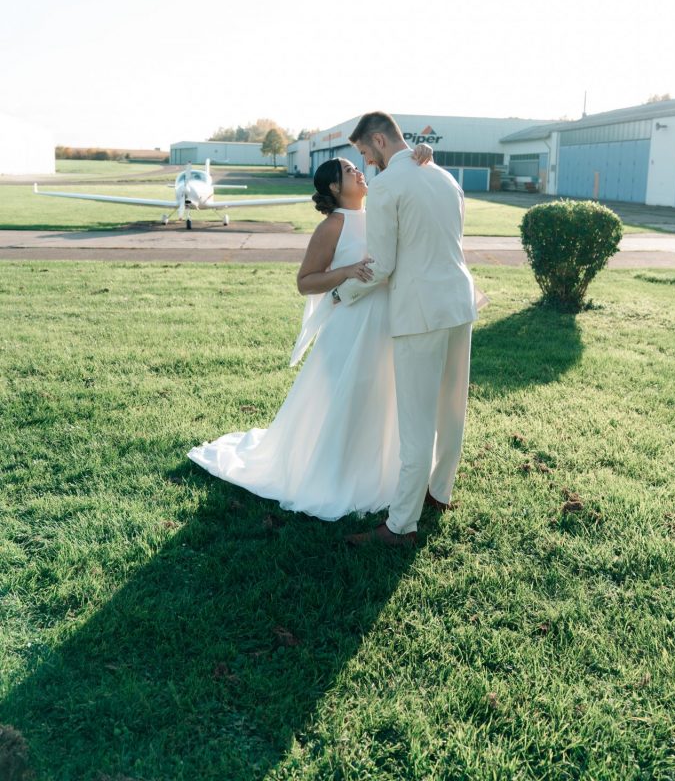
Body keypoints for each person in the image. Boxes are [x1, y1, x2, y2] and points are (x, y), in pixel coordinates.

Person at [187, 146, 433, 520]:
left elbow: (404, 181)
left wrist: (422, 156)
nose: (361, 172)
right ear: (335, 187)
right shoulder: (333, 225)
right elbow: (305, 282)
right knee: (351, 399)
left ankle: (383, 475)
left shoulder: (377, 210)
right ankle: (337, 478)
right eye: (351, 170)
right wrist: (347, 270)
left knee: (383, 398)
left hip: (387, 321)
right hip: (351, 325)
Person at [337, 111, 481, 548]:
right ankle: (440, 493)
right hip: (459, 302)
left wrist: (341, 294)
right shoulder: (446, 178)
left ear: (379, 141)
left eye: (364, 152)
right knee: (451, 410)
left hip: (420, 312)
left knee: (416, 423)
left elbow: (382, 265)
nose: (365, 163)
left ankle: (400, 526)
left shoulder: (386, 186)